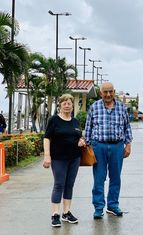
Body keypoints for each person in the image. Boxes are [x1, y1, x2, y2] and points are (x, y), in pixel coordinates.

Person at [84, 82, 133, 219]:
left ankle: (112, 205)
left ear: (114, 91)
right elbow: (88, 128)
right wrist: (89, 147)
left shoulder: (122, 107)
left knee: (115, 177)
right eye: (105, 92)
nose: (108, 94)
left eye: (110, 91)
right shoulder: (94, 107)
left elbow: (126, 127)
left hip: (117, 146)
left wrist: (128, 145)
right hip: (98, 146)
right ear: (101, 93)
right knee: (99, 178)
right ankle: (99, 208)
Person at [43, 94, 85, 227]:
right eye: (64, 103)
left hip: (75, 158)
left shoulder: (75, 121)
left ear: (72, 106)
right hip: (58, 158)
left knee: (69, 185)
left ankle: (66, 213)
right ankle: (55, 214)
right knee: (59, 184)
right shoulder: (54, 120)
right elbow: (47, 138)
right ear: (60, 105)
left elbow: (79, 136)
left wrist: (82, 141)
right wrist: (47, 155)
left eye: (69, 103)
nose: (67, 105)